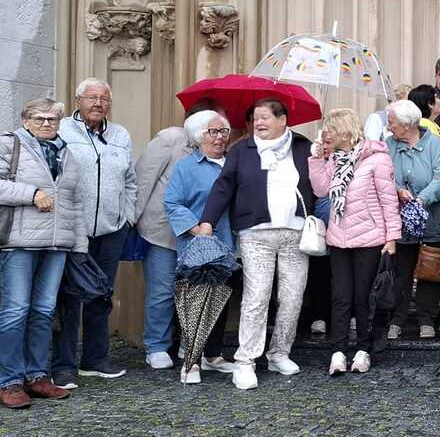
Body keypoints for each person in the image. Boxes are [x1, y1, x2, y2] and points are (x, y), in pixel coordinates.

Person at [0, 97, 91, 408]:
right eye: (39, 118)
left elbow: (75, 202)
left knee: (43, 311)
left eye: (52, 119)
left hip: (57, 245)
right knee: (16, 310)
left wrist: (79, 245)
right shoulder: (6, 145)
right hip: (19, 243)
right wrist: (31, 193)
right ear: (25, 120)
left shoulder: (65, 152)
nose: (47, 123)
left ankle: (37, 376)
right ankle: (11, 382)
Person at [196, 98, 317, 391]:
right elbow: (223, 186)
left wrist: (323, 157)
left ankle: (279, 353)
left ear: (283, 120)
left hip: (296, 233)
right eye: (256, 118)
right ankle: (246, 360)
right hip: (255, 234)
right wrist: (207, 221)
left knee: (292, 297)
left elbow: (320, 183)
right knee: (257, 297)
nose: (258, 123)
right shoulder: (242, 150)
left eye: (265, 117)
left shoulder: (303, 147)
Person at [53, 78, 137, 385]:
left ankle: (95, 359)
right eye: (91, 97)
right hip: (73, 230)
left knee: (101, 295)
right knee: (68, 298)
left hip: (111, 230)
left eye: (104, 98)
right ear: (78, 101)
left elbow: (130, 180)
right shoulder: (62, 130)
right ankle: (63, 365)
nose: (98, 103)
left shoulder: (120, 135)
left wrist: (127, 218)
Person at [308, 108, 400, 377]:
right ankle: (338, 351)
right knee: (340, 297)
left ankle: (363, 349)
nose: (326, 135)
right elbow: (321, 190)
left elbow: (388, 200)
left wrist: (392, 237)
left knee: (363, 298)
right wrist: (317, 160)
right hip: (339, 238)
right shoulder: (334, 159)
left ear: (345, 132)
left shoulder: (377, 159)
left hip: (369, 238)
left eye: (331, 130)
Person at [133, 100, 216, 371]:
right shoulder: (169, 139)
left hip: (197, 234)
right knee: (162, 290)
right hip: (163, 230)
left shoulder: (216, 149)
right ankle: (156, 345)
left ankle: (188, 343)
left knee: (194, 290)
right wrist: (133, 218)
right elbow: (144, 178)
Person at [163, 110, 239, 382]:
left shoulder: (233, 163)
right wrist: (198, 229)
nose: (219, 137)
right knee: (196, 302)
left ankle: (213, 355)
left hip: (229, 244)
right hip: (199, 245)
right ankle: (191, 362)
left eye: (223, 131)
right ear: (198, 136)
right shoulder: (187, 167)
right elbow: (172, 203)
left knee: (221, 299)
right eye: (212, 132)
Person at [382, 100, 440, 341]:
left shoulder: (435, 145)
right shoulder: (388, 145)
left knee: (429, 271)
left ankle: (426, 319)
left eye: (392, 122)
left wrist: (421, 200)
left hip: (431, 220)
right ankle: (397, 318)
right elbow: (381, 175)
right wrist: (397, 190)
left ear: (406, 125)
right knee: (401, 272)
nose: (389, 126)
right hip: (400, 223)